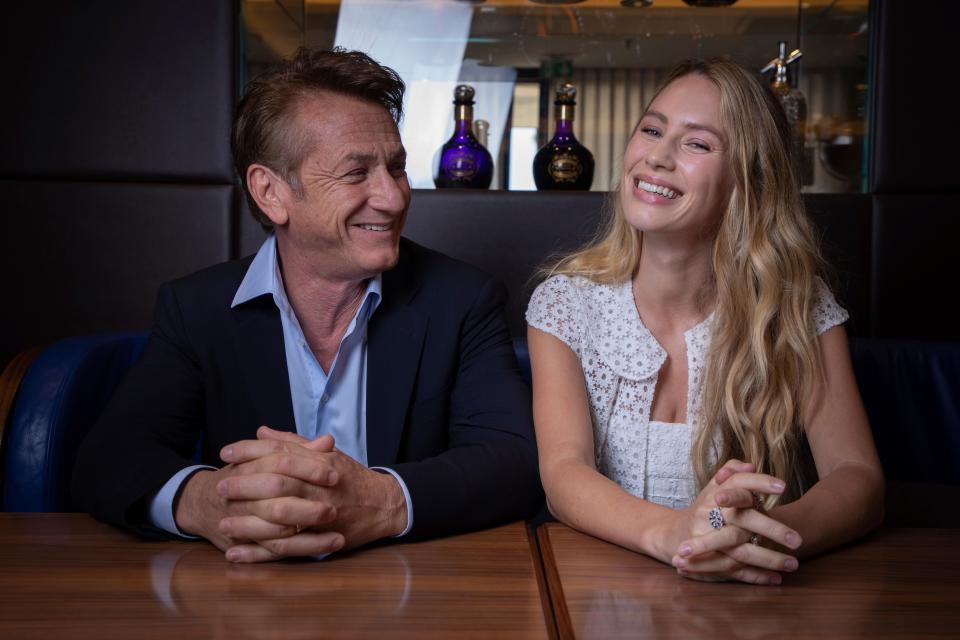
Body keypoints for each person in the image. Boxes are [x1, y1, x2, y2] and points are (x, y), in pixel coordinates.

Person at [72, 47, 542, 563]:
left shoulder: (462, 299)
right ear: (270, 192)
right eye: (356, 173)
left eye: (396, 167)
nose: (393, 196)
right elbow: (108, 461)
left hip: (410, 594)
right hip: (246, 598)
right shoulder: (196, 308)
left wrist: (378, 501)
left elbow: (514, 460)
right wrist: (206, 502)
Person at [526, 58, 884, 585]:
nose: (657, 156)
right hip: (600, 590)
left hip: (756, 597)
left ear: (751, 179)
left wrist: (760, 536)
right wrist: (676, 536)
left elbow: (860, 479)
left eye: (697, 144)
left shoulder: (797, 306)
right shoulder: (564, 303)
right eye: (651, 129)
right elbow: (563, 474)